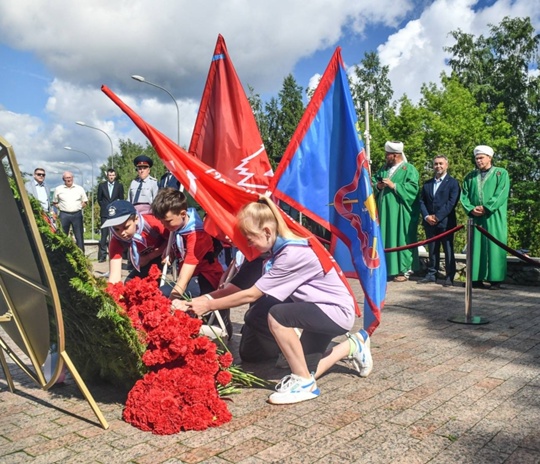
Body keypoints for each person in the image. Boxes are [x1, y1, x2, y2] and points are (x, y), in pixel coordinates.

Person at [185, 197, 373, 405]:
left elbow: (251, 295)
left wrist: (208, 305)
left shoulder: (291, 254)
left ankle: (303, 384)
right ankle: (353, 345)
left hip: (333, 313)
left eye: (250, 238)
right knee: (307, 367)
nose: (249, 245)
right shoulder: (280, 249)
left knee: (276, 314)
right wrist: (200, 300)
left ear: (266, 231)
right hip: (322, 310)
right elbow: (237, 288)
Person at [151, 188, 231, 336]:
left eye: (168, 222)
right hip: (192, 276)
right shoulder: (178, 225)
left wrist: (173, 298)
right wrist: (171, 254)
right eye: (162, 222)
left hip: (207, 278)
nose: (165, 226)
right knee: (162, 294)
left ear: (182, 214)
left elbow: (184, 276)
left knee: (164, 295)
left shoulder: (197, 234)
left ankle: (215, 321)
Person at [461, 145, 510, 290]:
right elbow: (464, 196)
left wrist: (487, 207)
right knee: (476, 246)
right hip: (476, 218)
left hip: (494, 216)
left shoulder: (501, 173)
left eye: (481, 158)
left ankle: (495, 280)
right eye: (477, 158)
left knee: (495, 245)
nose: (479, 161)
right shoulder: (470, 177)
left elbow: (501, 193)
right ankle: (476, 278)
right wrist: (471, 208)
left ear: (490, 157)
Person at [373, 141, 420, 282]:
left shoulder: (409, 169)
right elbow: (373, 182)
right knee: (385, 236)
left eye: (388, 154)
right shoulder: (384, 169)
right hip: (384, 212)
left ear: (395, 155)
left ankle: (403, 270)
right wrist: (379, 186)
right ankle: (387, 268)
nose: (386, 157)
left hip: (400, 212)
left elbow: (413, 189)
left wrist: (394, 186)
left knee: (400, 237)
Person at [102, 200, 168, 284]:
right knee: (130, 284)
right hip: (144, 261)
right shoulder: (116, 240)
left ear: (136, 219)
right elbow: (114, 277)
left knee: (155, 286)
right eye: (116, 229)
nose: (121, 233)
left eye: (126, 227)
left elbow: (172, 239)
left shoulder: (152, 223)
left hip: (166, 254)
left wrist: (150, 257)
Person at [418, 155, 460, 287]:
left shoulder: (453, 183)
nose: (438, 166)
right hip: (429, 222)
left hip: (446, 223)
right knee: (432, 249)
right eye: (436, 164)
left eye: (441, 164)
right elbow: (421, 201)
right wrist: (427, 216)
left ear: (446, 165)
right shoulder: (427, 184)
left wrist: (437, 217)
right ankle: (432, 274)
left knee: (448, 250)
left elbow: (451, 202)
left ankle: (449, 276)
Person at [52, 171, 88, 252]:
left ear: (72, 178)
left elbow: (85, 202)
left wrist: (78, 207)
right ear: (63, 179)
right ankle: (62, 255)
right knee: (62, 236)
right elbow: (54, 202)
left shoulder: (80, 188)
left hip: (77, 214)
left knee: (79, 236)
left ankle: (81, 255)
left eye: (70, 177)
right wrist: (60, 207)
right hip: (64, 215)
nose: (68, 179)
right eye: (66, 178)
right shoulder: (58, 189)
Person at [97, 168, 124, 262]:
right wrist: (105, 207)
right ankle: (103, 256)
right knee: (104, 235)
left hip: (115, 214)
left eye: (113, 175)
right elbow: (99, 199)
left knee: (115, 235)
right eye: (109, 175)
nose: (111, 177)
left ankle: (115, 255)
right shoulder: (102, 185)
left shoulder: (119, 186)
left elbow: (121, 199)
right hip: (105, 213)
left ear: (115, 176)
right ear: (107, 176)